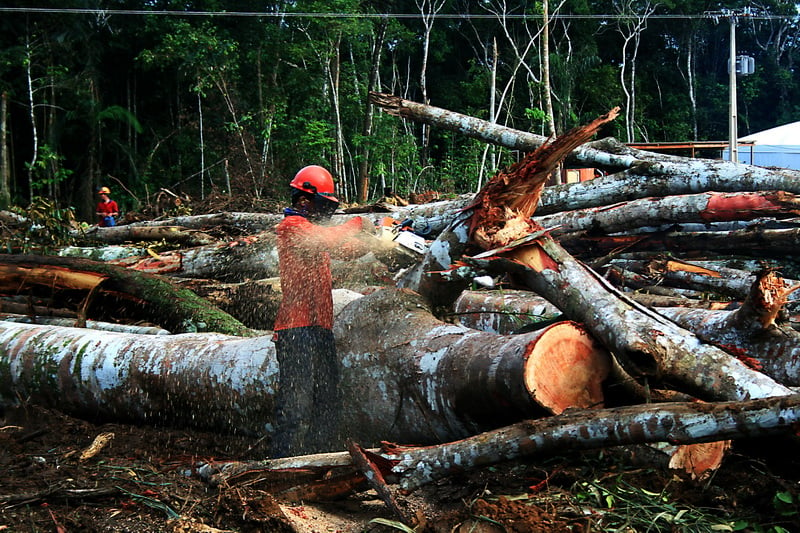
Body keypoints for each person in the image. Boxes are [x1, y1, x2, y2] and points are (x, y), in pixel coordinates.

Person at [272, 164, 373, 458]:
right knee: (296, 404)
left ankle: (319, 459)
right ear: (304, 200)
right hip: (296, 330)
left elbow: (345, 250)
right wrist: (356, 223)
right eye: (322, 206)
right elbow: (328, 239)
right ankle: (283, 464)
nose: (324, 213)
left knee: (328, 401)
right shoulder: (292, 227)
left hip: (320, 328)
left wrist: (381, 240)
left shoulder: (310, 231)